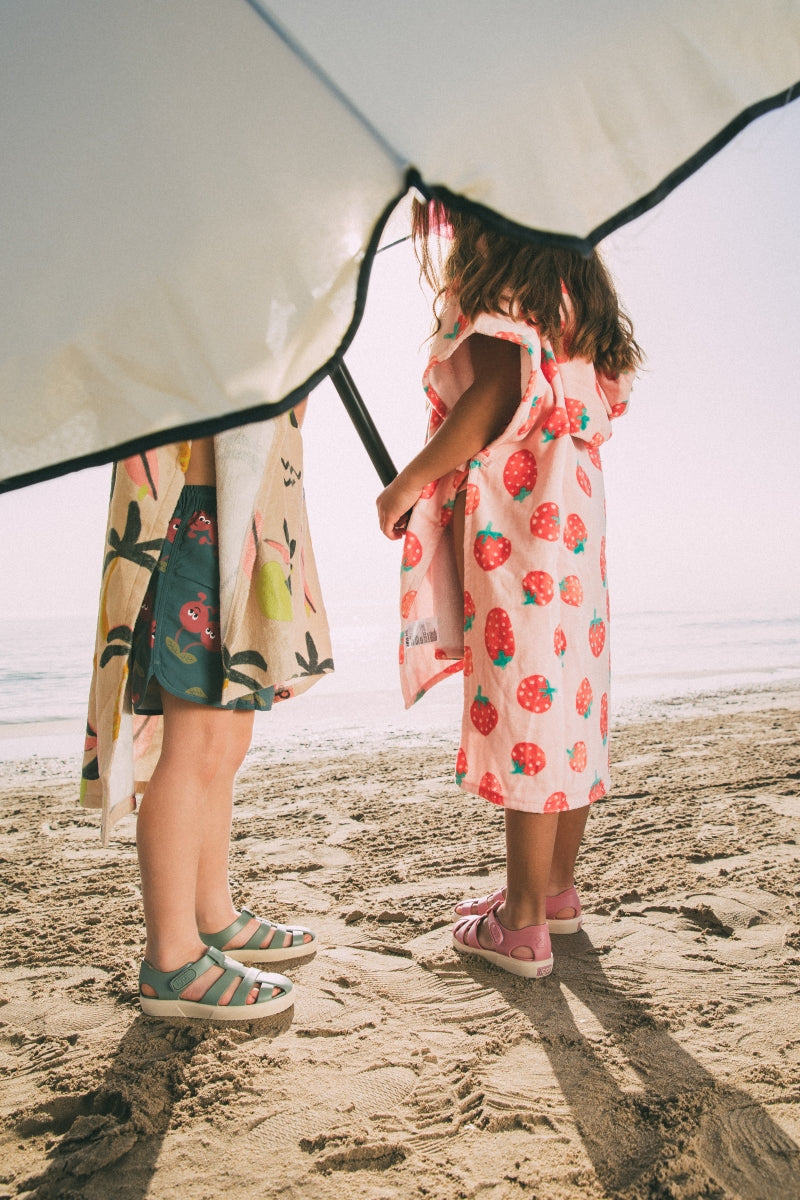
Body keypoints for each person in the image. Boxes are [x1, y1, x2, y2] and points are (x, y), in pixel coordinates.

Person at [377, 200, 642, 978]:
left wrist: (407, 483)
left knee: (527, 698)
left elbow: (491, 398)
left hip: (521, 524)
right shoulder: (571, 287)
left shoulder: (503, 290)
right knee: (568, 691)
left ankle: (521, 923)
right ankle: (555, 891)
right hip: (575, 521)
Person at [81, 407, 333, 1019]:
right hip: (192, 510)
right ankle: (171, 958)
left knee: (225, 746)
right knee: (194, 750)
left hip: (239, 514)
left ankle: (212, 916)